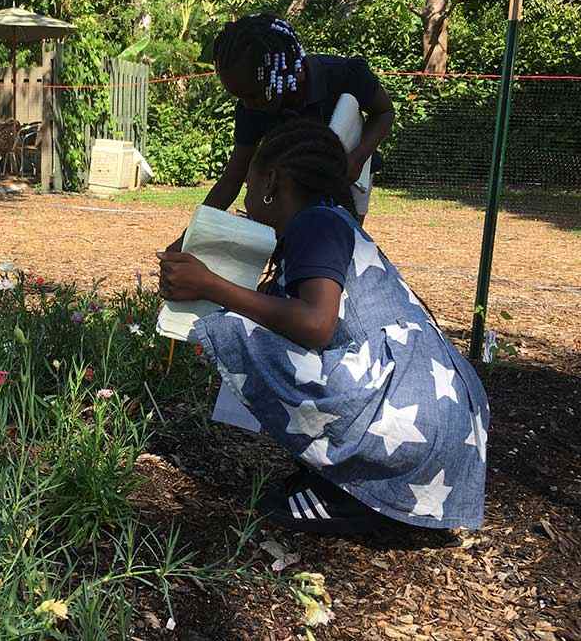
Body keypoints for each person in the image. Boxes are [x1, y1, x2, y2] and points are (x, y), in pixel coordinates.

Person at [158, 120, 488, 534]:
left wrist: (212, 287)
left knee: (235, 328)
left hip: (411, 422)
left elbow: (315, 324)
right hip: (437, 417)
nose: (246, 196)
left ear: (271, 181)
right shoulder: (328, 220)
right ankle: (342, 479)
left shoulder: (314, 226)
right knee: (260, 321)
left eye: (248, 183)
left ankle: (354, 500)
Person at [166, 13, 394, 252]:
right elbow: (233, 177)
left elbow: (384, 113)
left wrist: (356, 158)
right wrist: (189, 237)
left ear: (283, 73)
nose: (247, 105)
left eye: (253, 95)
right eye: (240, 98)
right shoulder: (251, 107)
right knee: (296, 252)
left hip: (348, 180)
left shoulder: (343, 75)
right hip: (293, 189)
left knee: (339, 248)